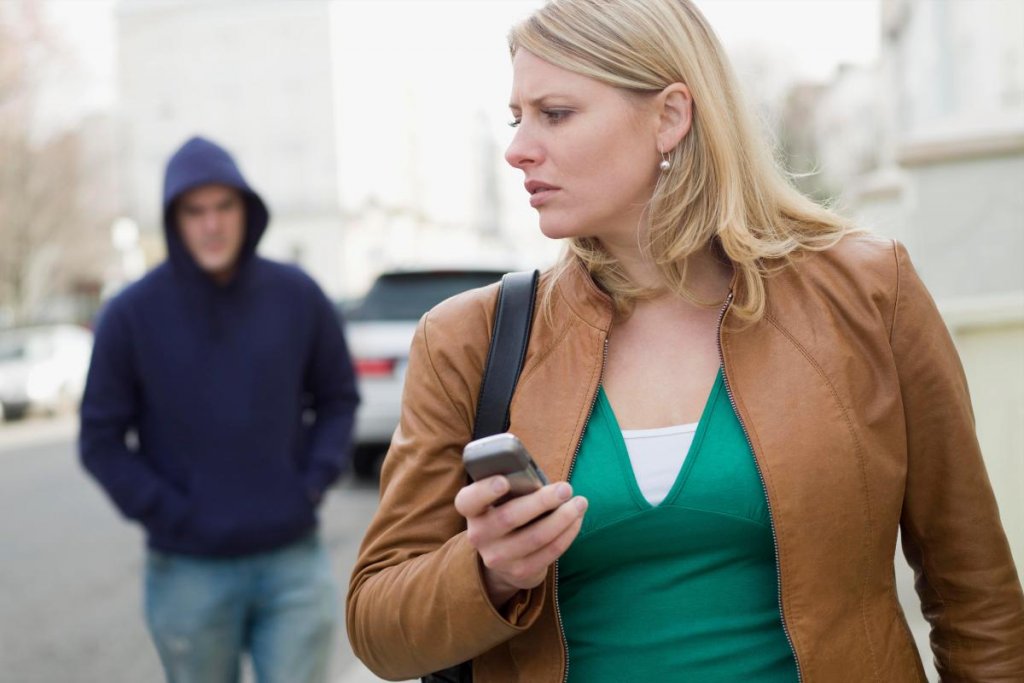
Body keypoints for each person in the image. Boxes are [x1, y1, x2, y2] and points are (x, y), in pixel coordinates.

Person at [347, 1, 1024, 681]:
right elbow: (378, 626)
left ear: (669, 117)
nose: (518, 147)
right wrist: (488, 571)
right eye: (517, 118)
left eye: (555, 114)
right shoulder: (468, 339)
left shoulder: (870, 292)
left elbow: (976, 595)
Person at [80, 136, 360, 683]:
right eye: (195, 210)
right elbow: (100, 440)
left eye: (224, 206)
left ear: (246, 210)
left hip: (292, 561)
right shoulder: (131, 314)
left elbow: (337, 399)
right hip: (188, 570)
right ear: (174, 220)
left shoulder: (298, 296)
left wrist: (311, 481)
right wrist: (170, 512)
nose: (211, 224)